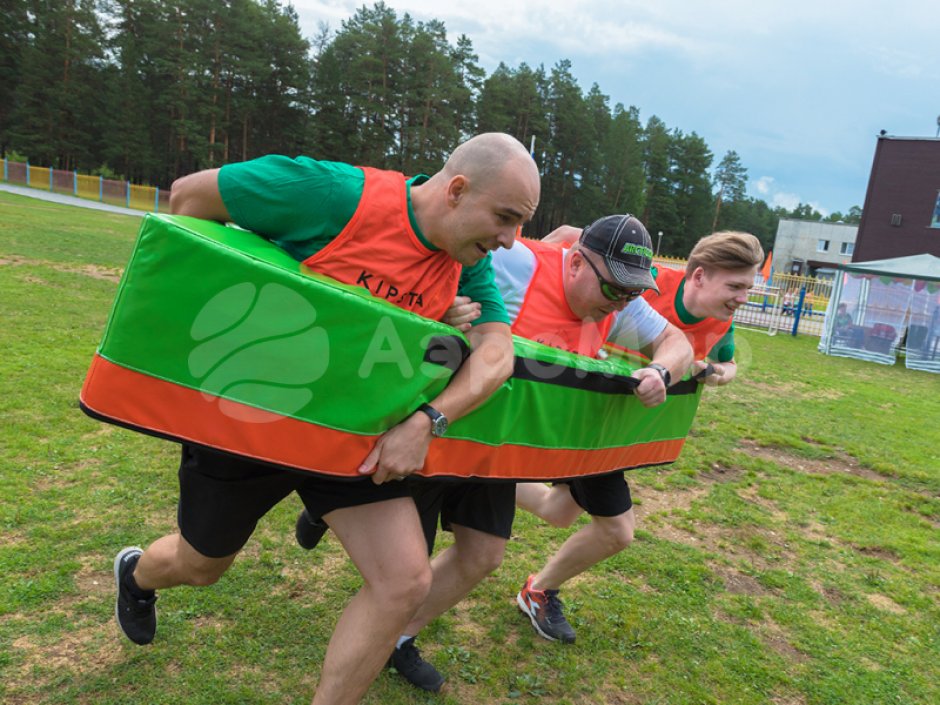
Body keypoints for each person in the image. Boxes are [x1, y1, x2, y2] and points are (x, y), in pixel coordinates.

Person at [111, 133, 540, 705]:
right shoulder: (333, 195)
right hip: (256, 420)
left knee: (404, 581)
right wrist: (291, 283)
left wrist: (426, 420)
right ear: (457, 190)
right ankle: (137, 574)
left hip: (355, 438)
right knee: (200, 565)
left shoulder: (469, 265)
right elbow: (189, 199)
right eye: (506, 217)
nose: (511, 241)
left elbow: (497, 354)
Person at [358, 214, 692, 689]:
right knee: (401, 568)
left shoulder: (621, 304)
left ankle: (397, 640)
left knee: (483, 555)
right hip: (437, 429)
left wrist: (661, 372)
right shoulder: (516, 264)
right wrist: (443, 304)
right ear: (576, 263)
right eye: (614, 290)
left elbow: (676, 342)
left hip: (498, 447)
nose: (621, 303)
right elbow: (426, 259)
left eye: (632, 293)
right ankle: (329, 510)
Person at [515, 228, 763, 644]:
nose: (742, 298)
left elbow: (730, 363)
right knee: (616, 531)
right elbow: (572, 238)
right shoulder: (647, 279)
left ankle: (477, 475)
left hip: (619, 433)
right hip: (583, 418)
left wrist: (715, 372)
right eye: (735, 286)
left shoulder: (723, 322)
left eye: (748, 288)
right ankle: (538, 588)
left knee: (558, 510)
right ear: (698, 276)